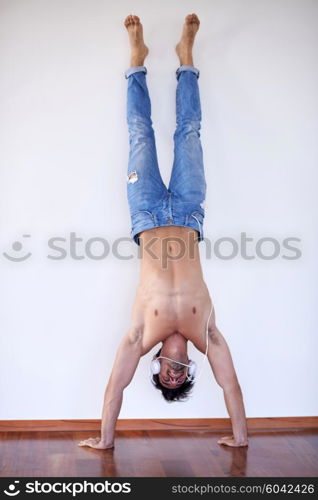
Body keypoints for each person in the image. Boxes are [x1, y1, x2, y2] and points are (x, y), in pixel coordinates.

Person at [78, 13, 248, 450]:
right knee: (189, 131)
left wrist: (105, 442)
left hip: (147, 213)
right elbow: (231, 386)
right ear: (189, 363)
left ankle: (137, 61)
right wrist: (241, 439)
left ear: (156, 364)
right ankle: (186, 58)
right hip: (190, 212)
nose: (174, 374)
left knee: (139, 132)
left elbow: (114, 389)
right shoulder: (207, 333)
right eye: (181, 376)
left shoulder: (140, 335)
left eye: (166, 377)